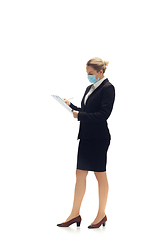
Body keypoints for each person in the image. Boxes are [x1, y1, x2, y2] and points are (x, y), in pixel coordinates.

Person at [57, 57, 115, 229]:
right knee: (80, 174)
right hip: (86, 137)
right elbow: (87, 111)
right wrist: (72, 107)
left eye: (91, 73)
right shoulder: (90, 88)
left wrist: (80, 115)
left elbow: (103, 115)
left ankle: (101, 214)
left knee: (100, 175)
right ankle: (74, 214)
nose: (88, 76)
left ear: (100, 72)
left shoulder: (108, 88)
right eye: (87, 73)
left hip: (99, 138)